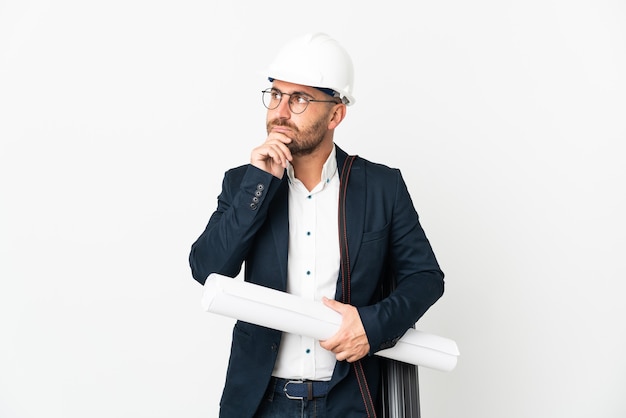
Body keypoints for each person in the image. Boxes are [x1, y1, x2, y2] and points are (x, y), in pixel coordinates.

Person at [189, 32, 444, 418]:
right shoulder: (244, 183)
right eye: (275, 95)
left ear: (336, 114)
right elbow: (206, 269)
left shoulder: (381, 187)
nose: (280, 111)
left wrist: (370, 326)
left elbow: (425, 277)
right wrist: (259, 186)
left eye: (299, 99)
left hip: (350, 399)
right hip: (262, 403)